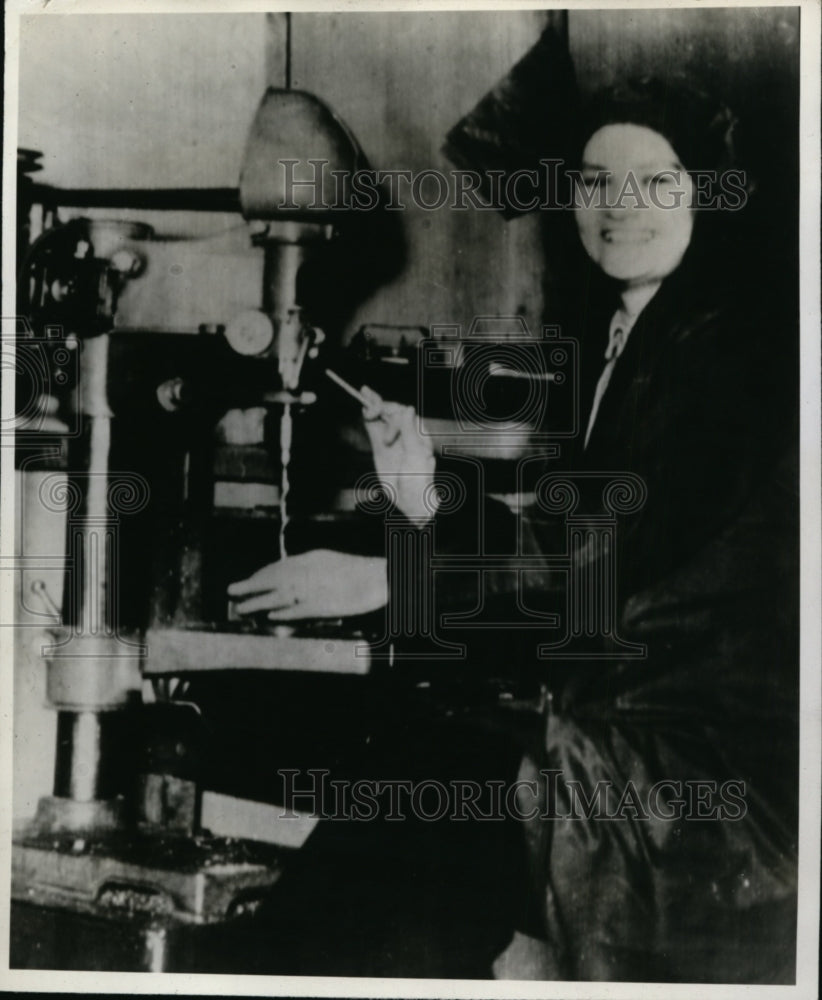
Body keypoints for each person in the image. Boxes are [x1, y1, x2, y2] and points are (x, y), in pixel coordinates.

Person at [228, 78, 798, 983]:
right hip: (611, 743)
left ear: (712, 193)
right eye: (595, 181)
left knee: (397, 841)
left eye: (656, 184)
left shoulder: (736, 353)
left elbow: (604, 548)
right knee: (400, 821)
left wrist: (389, 577)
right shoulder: (638, 332)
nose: (618, 209)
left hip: (698, 783)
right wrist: (426, 495)